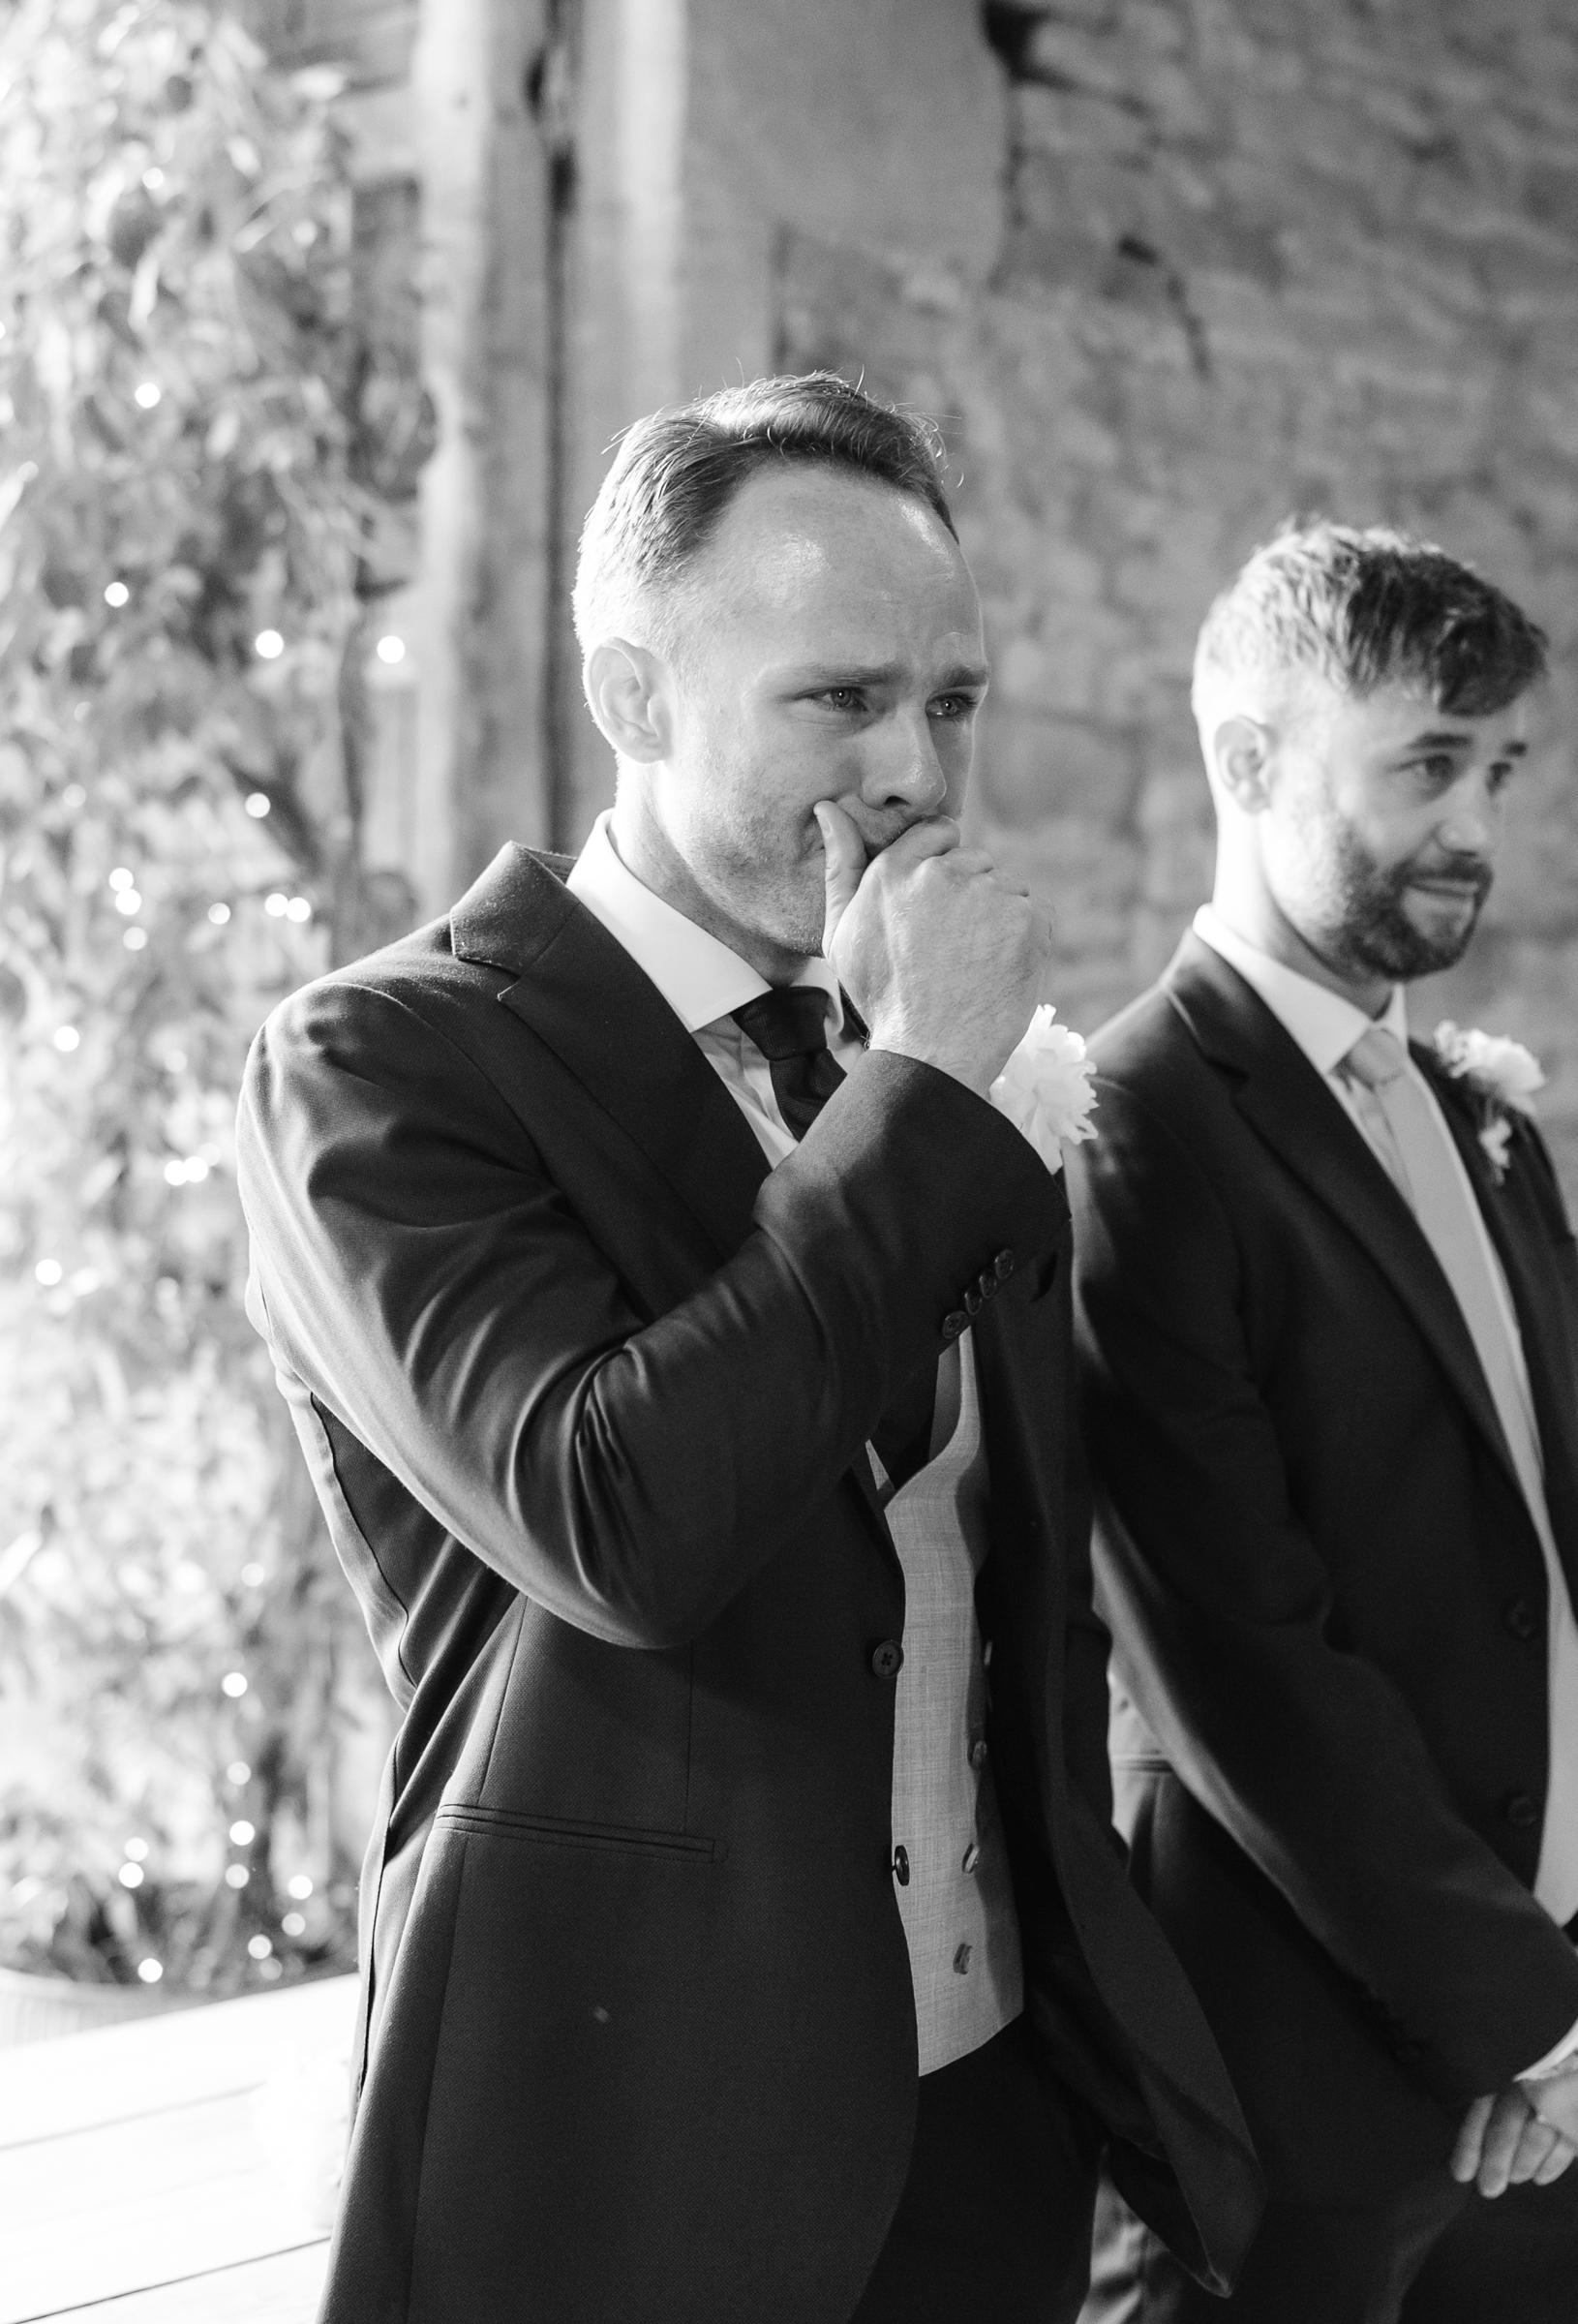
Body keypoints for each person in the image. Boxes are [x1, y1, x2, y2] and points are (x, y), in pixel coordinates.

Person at [236, 373, 1259, 2323]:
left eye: (949, 702)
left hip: (988, 2105)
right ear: (632, 698)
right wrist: (925, 1094)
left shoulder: (928, 1053)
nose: (913, 771)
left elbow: (1016, 1581)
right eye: (838, 698)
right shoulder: (386, 1064)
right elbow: (618, 1518)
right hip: (629, 2133)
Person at [1067, 520, 1578, 2323]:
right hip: (1290, 2074)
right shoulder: (1134, 1127)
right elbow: (1241, 1661)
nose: (1477, 826)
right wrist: (1525, 2016)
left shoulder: (1478, 1116)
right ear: (1246, 762)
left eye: (1497, 769)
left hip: (1534, 2086)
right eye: (1425, 765)